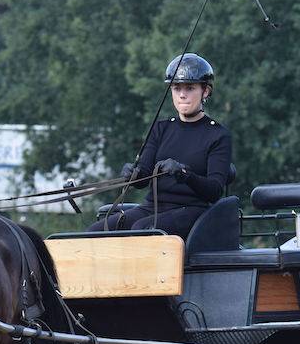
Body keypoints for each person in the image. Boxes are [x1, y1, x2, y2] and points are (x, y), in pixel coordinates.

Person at [89, 53, 233, 238]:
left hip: (193, 211)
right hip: (152, 207)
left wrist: (184, 174)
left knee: (142, 230)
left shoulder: (218, 135)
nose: (182, 95)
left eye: (190, 88)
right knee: (94, 232)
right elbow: (143, 178)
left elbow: (214, 191)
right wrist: (133, 174)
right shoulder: (161, 128)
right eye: (176, 88)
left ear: (205, 91)